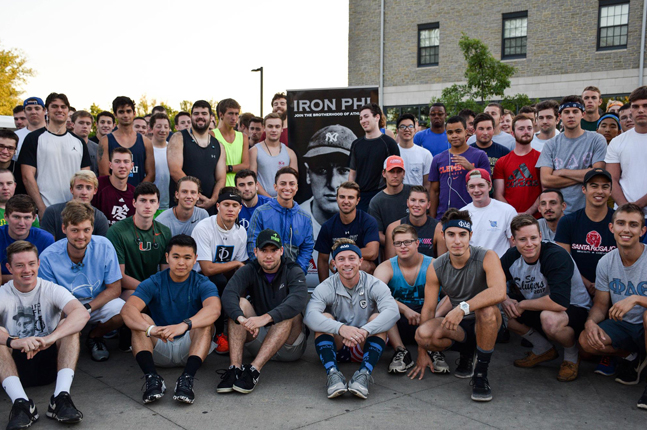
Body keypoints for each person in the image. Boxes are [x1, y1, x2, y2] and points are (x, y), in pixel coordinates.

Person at [409, 209, 505, 402]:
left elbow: (499, 292)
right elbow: (428, 309)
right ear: (443, 236)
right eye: (451, 234)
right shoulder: (436, 266)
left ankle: (480, 374)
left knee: (486, 311)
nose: (457, 240)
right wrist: (422, 350)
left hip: (490, 322)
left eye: (462, 234)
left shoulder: (487, 256)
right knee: (423, 335)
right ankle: (467, 352)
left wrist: (462, 308)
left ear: (470, 235)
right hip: (460, 326)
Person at [121, 234, 221, 405]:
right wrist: (150, 329)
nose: (181, 262)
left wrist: (185, 325)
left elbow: (214, 309)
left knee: (205, 323)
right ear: (167, 258)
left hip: (190, 348)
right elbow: (128, 310)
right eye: (176, 257)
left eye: (187, 257)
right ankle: (152, 378)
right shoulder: (154, 281)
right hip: (160, 343)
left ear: (195, 259)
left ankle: (187, 379)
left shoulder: (203, 283)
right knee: (141, 319)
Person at [0, 241, 89, 428]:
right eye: (19, 265)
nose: (27, 270)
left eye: (31, 264)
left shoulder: (51, 288)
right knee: (1, 336)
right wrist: (13, 342)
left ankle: (60, 398)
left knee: (68, 327)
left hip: (49, 360)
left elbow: (82, 313)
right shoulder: (3, 293)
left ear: (38, 263)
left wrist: (51, 338)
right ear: (9, 267)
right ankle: (22, 404)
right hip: (14, 366)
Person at [501, 215, 592, 382]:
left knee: (549, 318)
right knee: (498, 308)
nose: (529, 244)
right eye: (522, 239)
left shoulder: (555, 255)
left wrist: (523, 305)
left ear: (540, 236)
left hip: (573, 308)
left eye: (533, 238)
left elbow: (559, 302)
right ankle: (543, 349)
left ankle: (571, 357)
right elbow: (491, 281)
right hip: (539, 306)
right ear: (513, 240)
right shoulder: (511, 256)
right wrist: (504, 298)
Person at [305, 239, 400, 399]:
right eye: (341, 259)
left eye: (352, 258)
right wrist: (341, 328)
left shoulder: (373, 283)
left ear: (360, 261)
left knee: (377, 318)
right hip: (338, 347)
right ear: (334, 263)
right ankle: (333, 374)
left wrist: (365, 330)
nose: (347, 263)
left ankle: (364, 374)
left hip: (364, 346)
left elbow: (393, 312)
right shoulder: (326, 286)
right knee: (324, 318)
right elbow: (309, 316)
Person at [218, 229, 309, 394]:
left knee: (288, 310)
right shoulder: (249, 269)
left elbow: (299, 299)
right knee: (239, 304)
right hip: (259, 339)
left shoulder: (292, 269)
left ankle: (253, 370)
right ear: (255, 252)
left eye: (273, 250)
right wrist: (240, 318)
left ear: (281, 251)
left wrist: (266, 318)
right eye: (264, 250)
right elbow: (228, 294)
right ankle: (235, 368)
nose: (269, 255)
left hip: (289, 347)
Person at [577, 204, 647, 406]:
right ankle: (632, 357)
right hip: (623, 325)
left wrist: (636, 299)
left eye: (633, 225)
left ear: (642, 230)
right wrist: (590, 323)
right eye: (621, 223)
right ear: (611, 228)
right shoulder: (606, 262)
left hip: (644, 325)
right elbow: (600, 305)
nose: (626, 229)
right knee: (585, 341)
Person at [38, 201, 124, 362]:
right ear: (64, 229)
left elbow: (114, 289)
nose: (81, 236)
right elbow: (50, 300)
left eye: (86, 230)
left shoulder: (104, 246)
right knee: (63, 329)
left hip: (93, 304)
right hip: (63, 308)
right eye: (75, 230)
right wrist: (69, 321)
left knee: (124, 310)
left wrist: (85, 309)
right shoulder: (48, 257)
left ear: (92, 228)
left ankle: (94, 336)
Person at [375, 224, 449, 374]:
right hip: (399, 321)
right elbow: (376, 295)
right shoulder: (386, 267)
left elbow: (453, 294)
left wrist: (434, 316)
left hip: (430, 318)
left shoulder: (434, 264)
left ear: (417, 243)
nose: (403, 246)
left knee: (451, 302)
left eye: (407, 242)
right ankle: (401, 351)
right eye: (398, 243)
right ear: (393, 245)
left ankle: (433, 350)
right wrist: (405, 310)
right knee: (381, 306)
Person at [192, 188, 248, 354]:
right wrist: (235, 263)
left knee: (242, 281)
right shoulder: (204, 228)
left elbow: (240, 267)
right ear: (218, 206)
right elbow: (207, 269)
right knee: (219, 282)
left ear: (240, 208)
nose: (230, 209)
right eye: (226, 204)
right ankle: (218, 335)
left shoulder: (241, 231)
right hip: (197, 278)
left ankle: (238, 330)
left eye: (234, 205)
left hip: (223, 276)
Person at [19, 93, 91, 216]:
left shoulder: (79, 142)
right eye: (54, 106)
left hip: (74, 209)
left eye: (63, 107)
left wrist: (80, 205)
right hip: (46, 208)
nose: (59, 110)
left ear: (68, 110)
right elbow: (27, 177)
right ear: (46, 110)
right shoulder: (33, 138)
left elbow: (86, 177)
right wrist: (41, 208)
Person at [536, 95, 607, 214]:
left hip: (589, 210)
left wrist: (562, 172)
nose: (571, 115)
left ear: (583, 114)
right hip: (561, 213)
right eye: (566, 112)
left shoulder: (596, 139)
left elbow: (597, 174)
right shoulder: (551, 144)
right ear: (560, 116)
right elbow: (546, 180)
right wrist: (585, 176)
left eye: (575, 111)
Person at [555, 168, 617, 295]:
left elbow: (627, 261)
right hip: (577, 290)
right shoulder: (567, 222)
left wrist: (603, 286)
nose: (600, 191)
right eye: (594, 186)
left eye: (605, 187)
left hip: (614, 287)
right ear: (584, 189)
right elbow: (563, 262)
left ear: (610, 191)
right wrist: (587, 284)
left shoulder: (620, 222)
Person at [106, 182, 172, 300]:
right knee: (137, 298)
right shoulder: (116, 231)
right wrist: (149, 289)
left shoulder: (165, 232)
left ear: (158, 205)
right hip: (126, 290)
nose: (147, 206)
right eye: (143, 200)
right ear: (134, 203)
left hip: (154, 287)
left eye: (152, 201)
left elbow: (166, 271)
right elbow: (119, 276)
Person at [247, 167, 314, 274]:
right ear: (275, 187)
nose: (287, 187)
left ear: (297, 187)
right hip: (265, 274)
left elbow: (307, 248)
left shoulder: (305, 217)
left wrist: (298, 271)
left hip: (293, 275)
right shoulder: (260, 213)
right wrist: (264, 271)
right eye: (283, 183)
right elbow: (252, 244)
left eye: (291, 184)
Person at [167, 100, 227, 215]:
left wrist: (213, 200)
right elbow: (175, 170)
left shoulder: (218, 145)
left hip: (208, 207)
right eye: (196, 113)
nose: (200, 117)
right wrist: (195, 195)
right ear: (191, 117)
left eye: (204, 113)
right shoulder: (178, 138)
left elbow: (221, 179)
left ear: (211, 117)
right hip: (183, 207)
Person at [429, 116, 490, 220]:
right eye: (450, 132)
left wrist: (471, 168)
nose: (454, 135)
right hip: (445, 216)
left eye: (458, 131)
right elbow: (434, 191)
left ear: (466, 132)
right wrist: (432, 219)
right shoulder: (438, 159)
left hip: (473, 215)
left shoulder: (480, 155)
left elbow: (488, 185)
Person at [315, 181, 379, 281]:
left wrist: (341, 256)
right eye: (342, 197)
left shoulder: (368, 221)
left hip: (364, 274)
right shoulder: (328, 226)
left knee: (365, 266)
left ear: (357, 200)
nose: (346, 201)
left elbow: (372, 252)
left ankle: (364, 291)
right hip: (340, 272)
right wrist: (324, 287)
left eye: (350, 197)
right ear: (337, 199)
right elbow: (323, 260)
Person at [300, 125, 355, 237]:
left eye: (343, 170)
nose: (333, 184)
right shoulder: (293, 220)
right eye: (322, 170)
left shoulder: (365, 221)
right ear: (308, 174)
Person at [348, 103, 400, 212]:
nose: (363, 120)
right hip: (361, 198)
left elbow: (396, 173)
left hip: (382, 197)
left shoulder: (389, 143)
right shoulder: (356, 144)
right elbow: (352, 173)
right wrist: (351, 195)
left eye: (366, 116)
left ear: (377, 117)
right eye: (361, 118)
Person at [605, 86, 647, 218]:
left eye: (645, 106)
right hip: (624, 215)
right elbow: (612, 178)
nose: (641, 110)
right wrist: (626, 209)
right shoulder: (617, 141)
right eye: (636, 106)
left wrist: (637, 206)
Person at [98, 96, 155, 187]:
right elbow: (104, 173)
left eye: (128, 111)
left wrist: (137, 191)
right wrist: (121, 191)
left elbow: (151, 174)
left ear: (134, 113)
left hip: (138, 193)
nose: (125, 115)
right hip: (113, 192)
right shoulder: (105, 141)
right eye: (121, 112)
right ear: (115, 115)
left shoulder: (146, 142)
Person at [493, 115, 542, 216]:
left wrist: (528, 213)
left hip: (537, 218)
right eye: (521, 129)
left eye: (529, 128)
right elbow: (498, 194)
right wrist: (513, 214)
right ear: (513, 133)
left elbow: (545, 191)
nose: (526, 132)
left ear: (533, 131)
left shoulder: (541, 158)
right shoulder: (502, 162)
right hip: (510, 218)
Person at [461, 168, 516, 257]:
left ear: (490, 186)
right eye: (472, 186)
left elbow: (514, 245)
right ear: (467, 189)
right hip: (472, 264)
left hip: (501, 264)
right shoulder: (462, 214)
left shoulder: (507, 211)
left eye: (481, 185)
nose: (476, 190)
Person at [0, 195, 54, 283]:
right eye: (16, 217)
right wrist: (23, 278)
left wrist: (14, 278)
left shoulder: (45, 239)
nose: (21, 223)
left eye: (27, 217)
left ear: (34, 218)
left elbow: (49, 276)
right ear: (6, 216)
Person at [41, 170, 109, 241]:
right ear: (71, 189)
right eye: (79, 187)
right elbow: (48, 244)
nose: (84, 192)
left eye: (88, 188)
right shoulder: (52, 212)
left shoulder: (100, 218)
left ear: (95, 191)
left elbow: (101, 245)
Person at [385, 186, 445, 259]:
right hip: (401, 266)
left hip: (430, 266)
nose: (416, 205)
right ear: (407, 202)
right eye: (413, 200)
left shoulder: (439, 229)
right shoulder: (393, 228)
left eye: (422, 201)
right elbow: (390, 263)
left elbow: (442, 263)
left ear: (428, 205)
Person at [249, 113, 297, 197]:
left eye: (277, 126)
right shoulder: (254, 151)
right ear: (264, 128)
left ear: (282, 129)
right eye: (270, 126)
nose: (274, 130)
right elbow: (252, 179)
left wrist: (281, 199)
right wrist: (269, 199)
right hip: (261, 201)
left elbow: (293, 181)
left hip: (284, 201)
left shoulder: (290, 153)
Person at [369, 156, 412, 246]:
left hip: (416, 245)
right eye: (391, 171)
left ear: (403, 173)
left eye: (398, 171)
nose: (395, 175)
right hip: (390, 248)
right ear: (384, 173)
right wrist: (398, 245)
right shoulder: (376, 202)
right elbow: (378, 234)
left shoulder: (414, 193)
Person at [92, 147, 136, 226]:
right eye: (117, 161)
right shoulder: (97, 185)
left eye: (126, 162)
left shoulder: (135, 193)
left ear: (131, 166)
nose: (122, 166)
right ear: (110, 165)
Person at [214, 98, 250, 187]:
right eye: (230, 113)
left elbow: (246, 165)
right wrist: (236, 167)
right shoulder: (212, 135)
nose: (234, 118)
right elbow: (212, 166)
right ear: (221, 115)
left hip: (239, 187)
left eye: (236, 114)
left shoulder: (243, 137)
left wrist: (227, 168)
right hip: (219, 186)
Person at [396, 114, 432, 188]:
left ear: (415, 130)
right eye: (402, 126)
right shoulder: (391, 152)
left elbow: (427, 184)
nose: (407, 129)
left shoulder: (425, 154)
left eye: (410, 126)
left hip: (417, 195)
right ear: (397, 131)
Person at [149, 113, 171, 211]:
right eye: (158, 126)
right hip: (150, 203)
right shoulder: (146, 148)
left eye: (166, 127)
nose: (163, 130)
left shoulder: (173, 149)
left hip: (169, 203)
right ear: (151, 129)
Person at [71, 111, 98, 176]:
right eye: (81, 123)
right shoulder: (65, 145)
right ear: (73, 124)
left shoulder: (97, 148)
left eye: (88, 123)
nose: (85, 126)